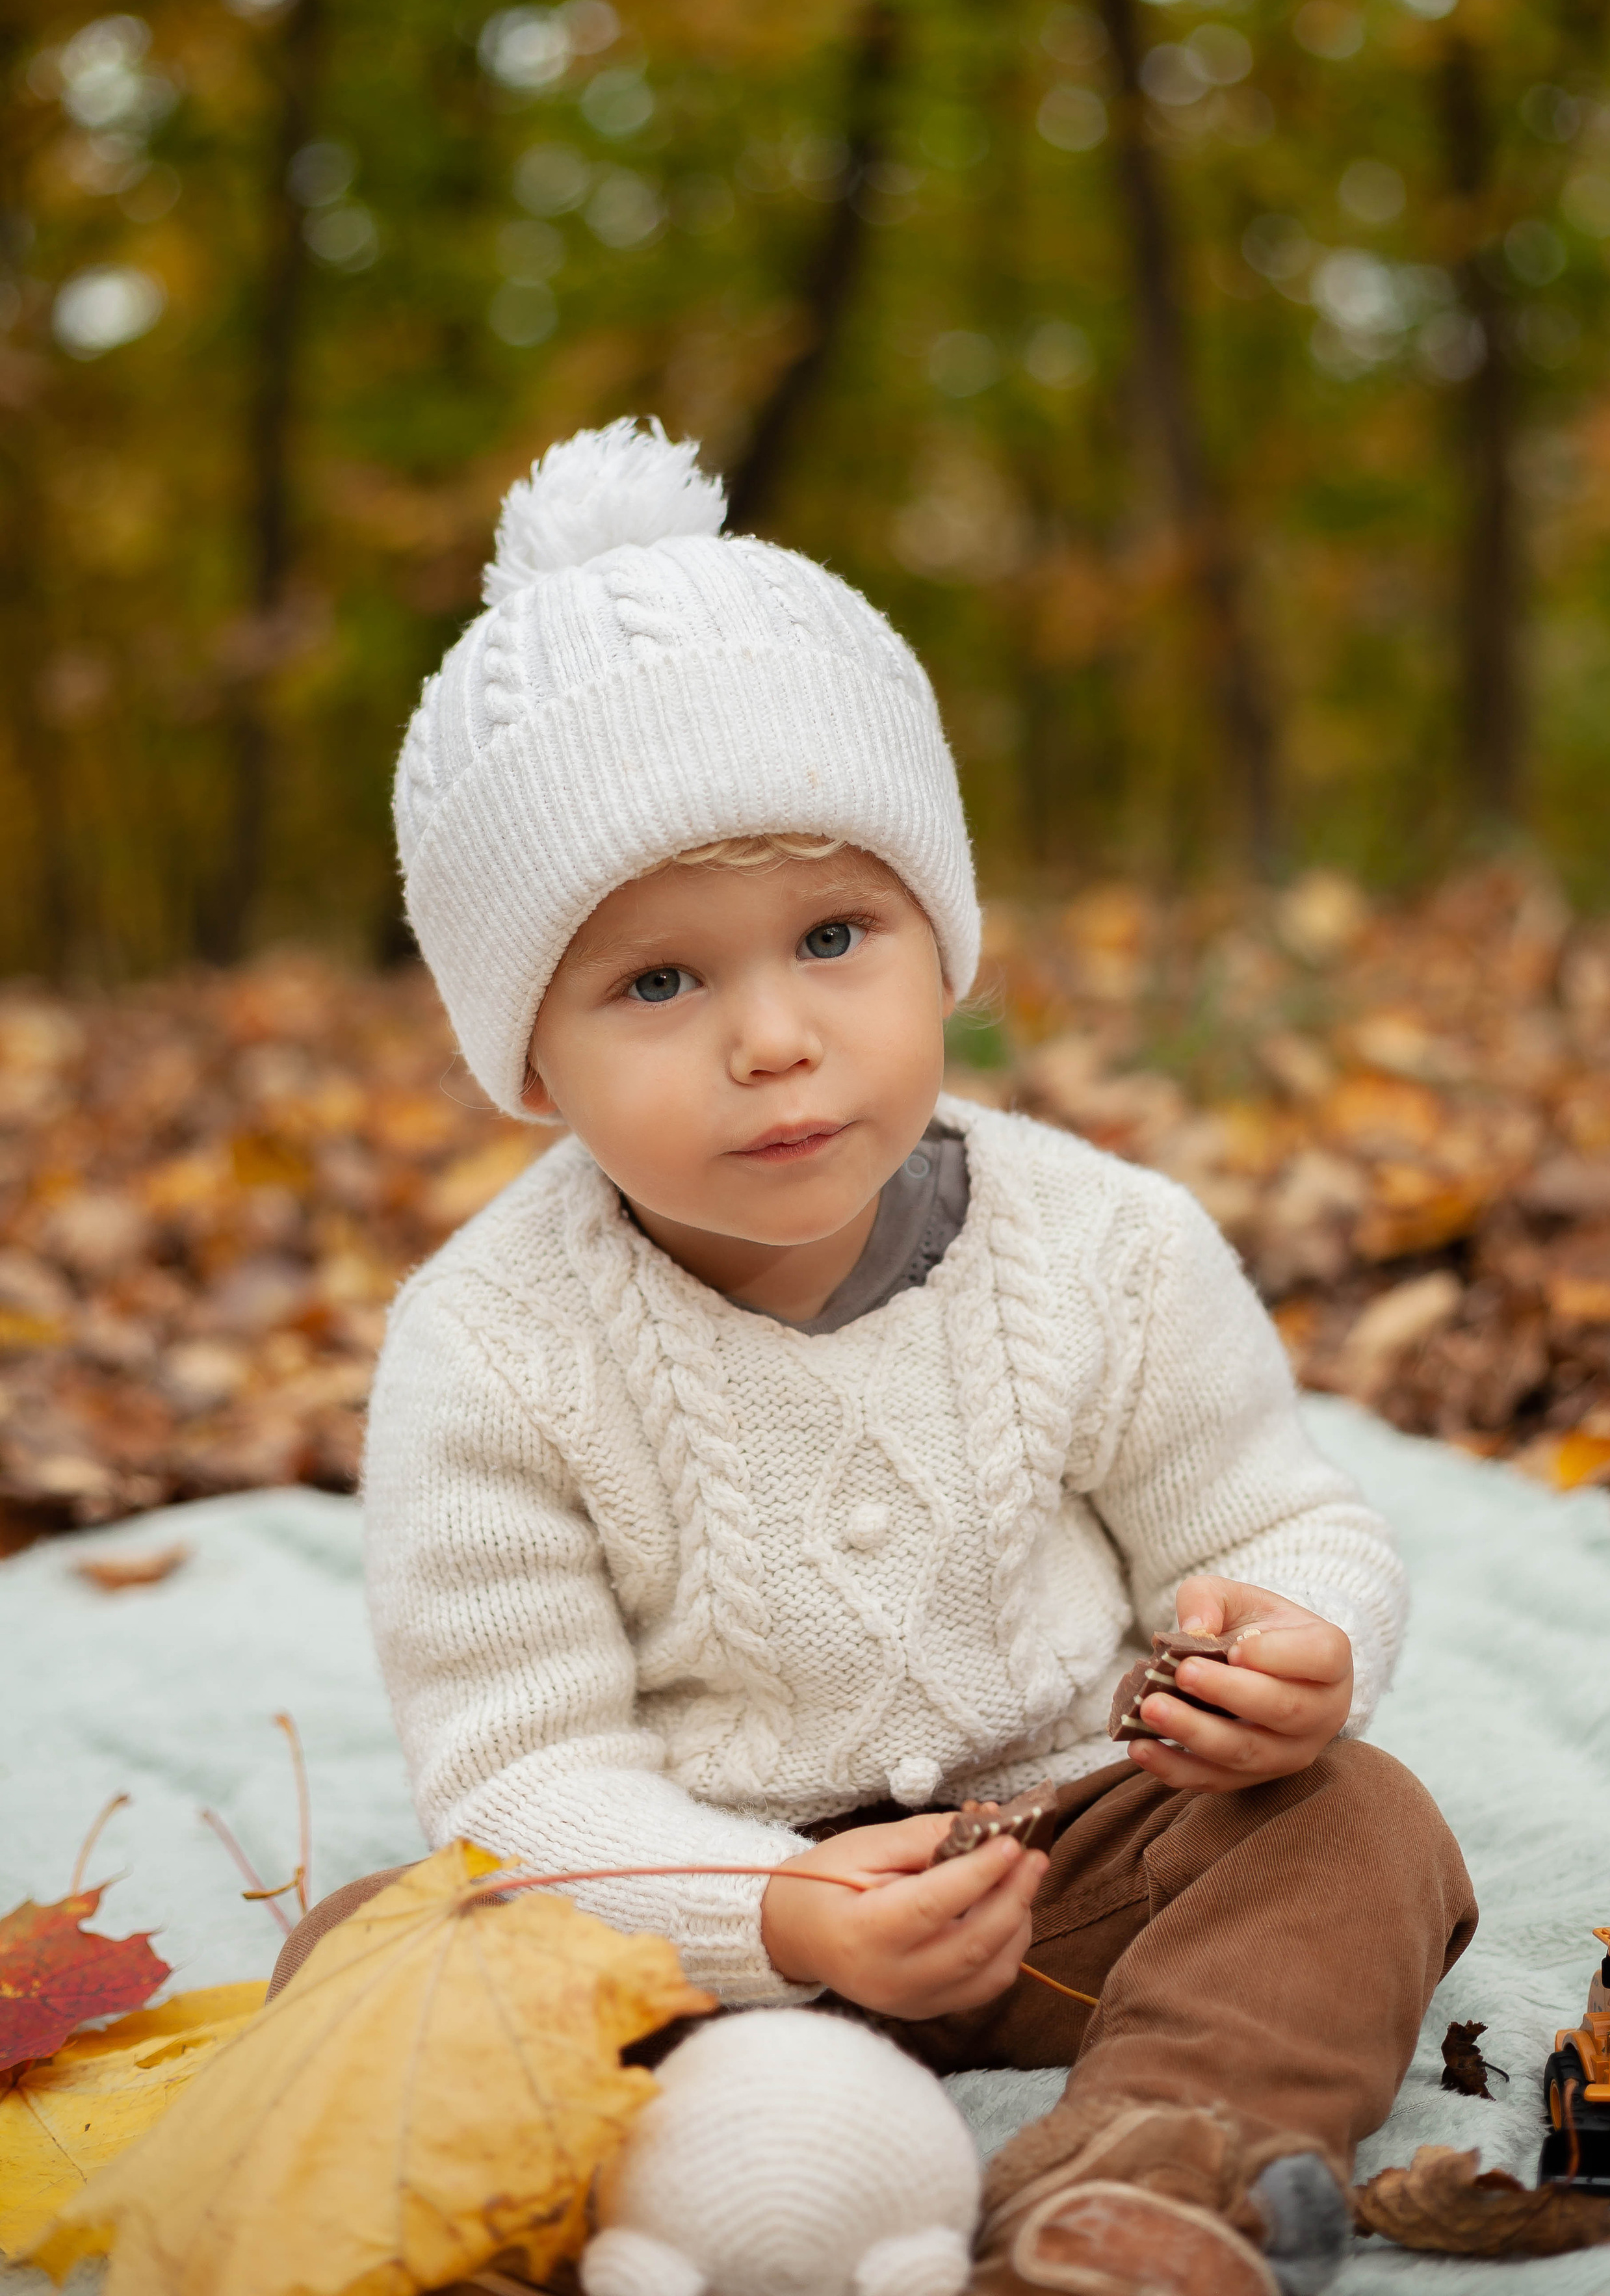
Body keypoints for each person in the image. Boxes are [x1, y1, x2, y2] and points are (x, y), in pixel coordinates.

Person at [278, 419, 1476, 2296]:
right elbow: (517, 1766)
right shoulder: (489, 1346)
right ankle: (596, 2206)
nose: (772, 1037)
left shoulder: (1105, 1246)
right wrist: (764, 1910)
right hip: (691, 1925)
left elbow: (1269, 1516)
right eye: (658, 982)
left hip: (1058, 1870)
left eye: (835, 935)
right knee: (375, 1946)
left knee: (1356, 1824)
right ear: (528, 1060)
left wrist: (1294, 1649)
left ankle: (1161, 2172)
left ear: (946, 946)